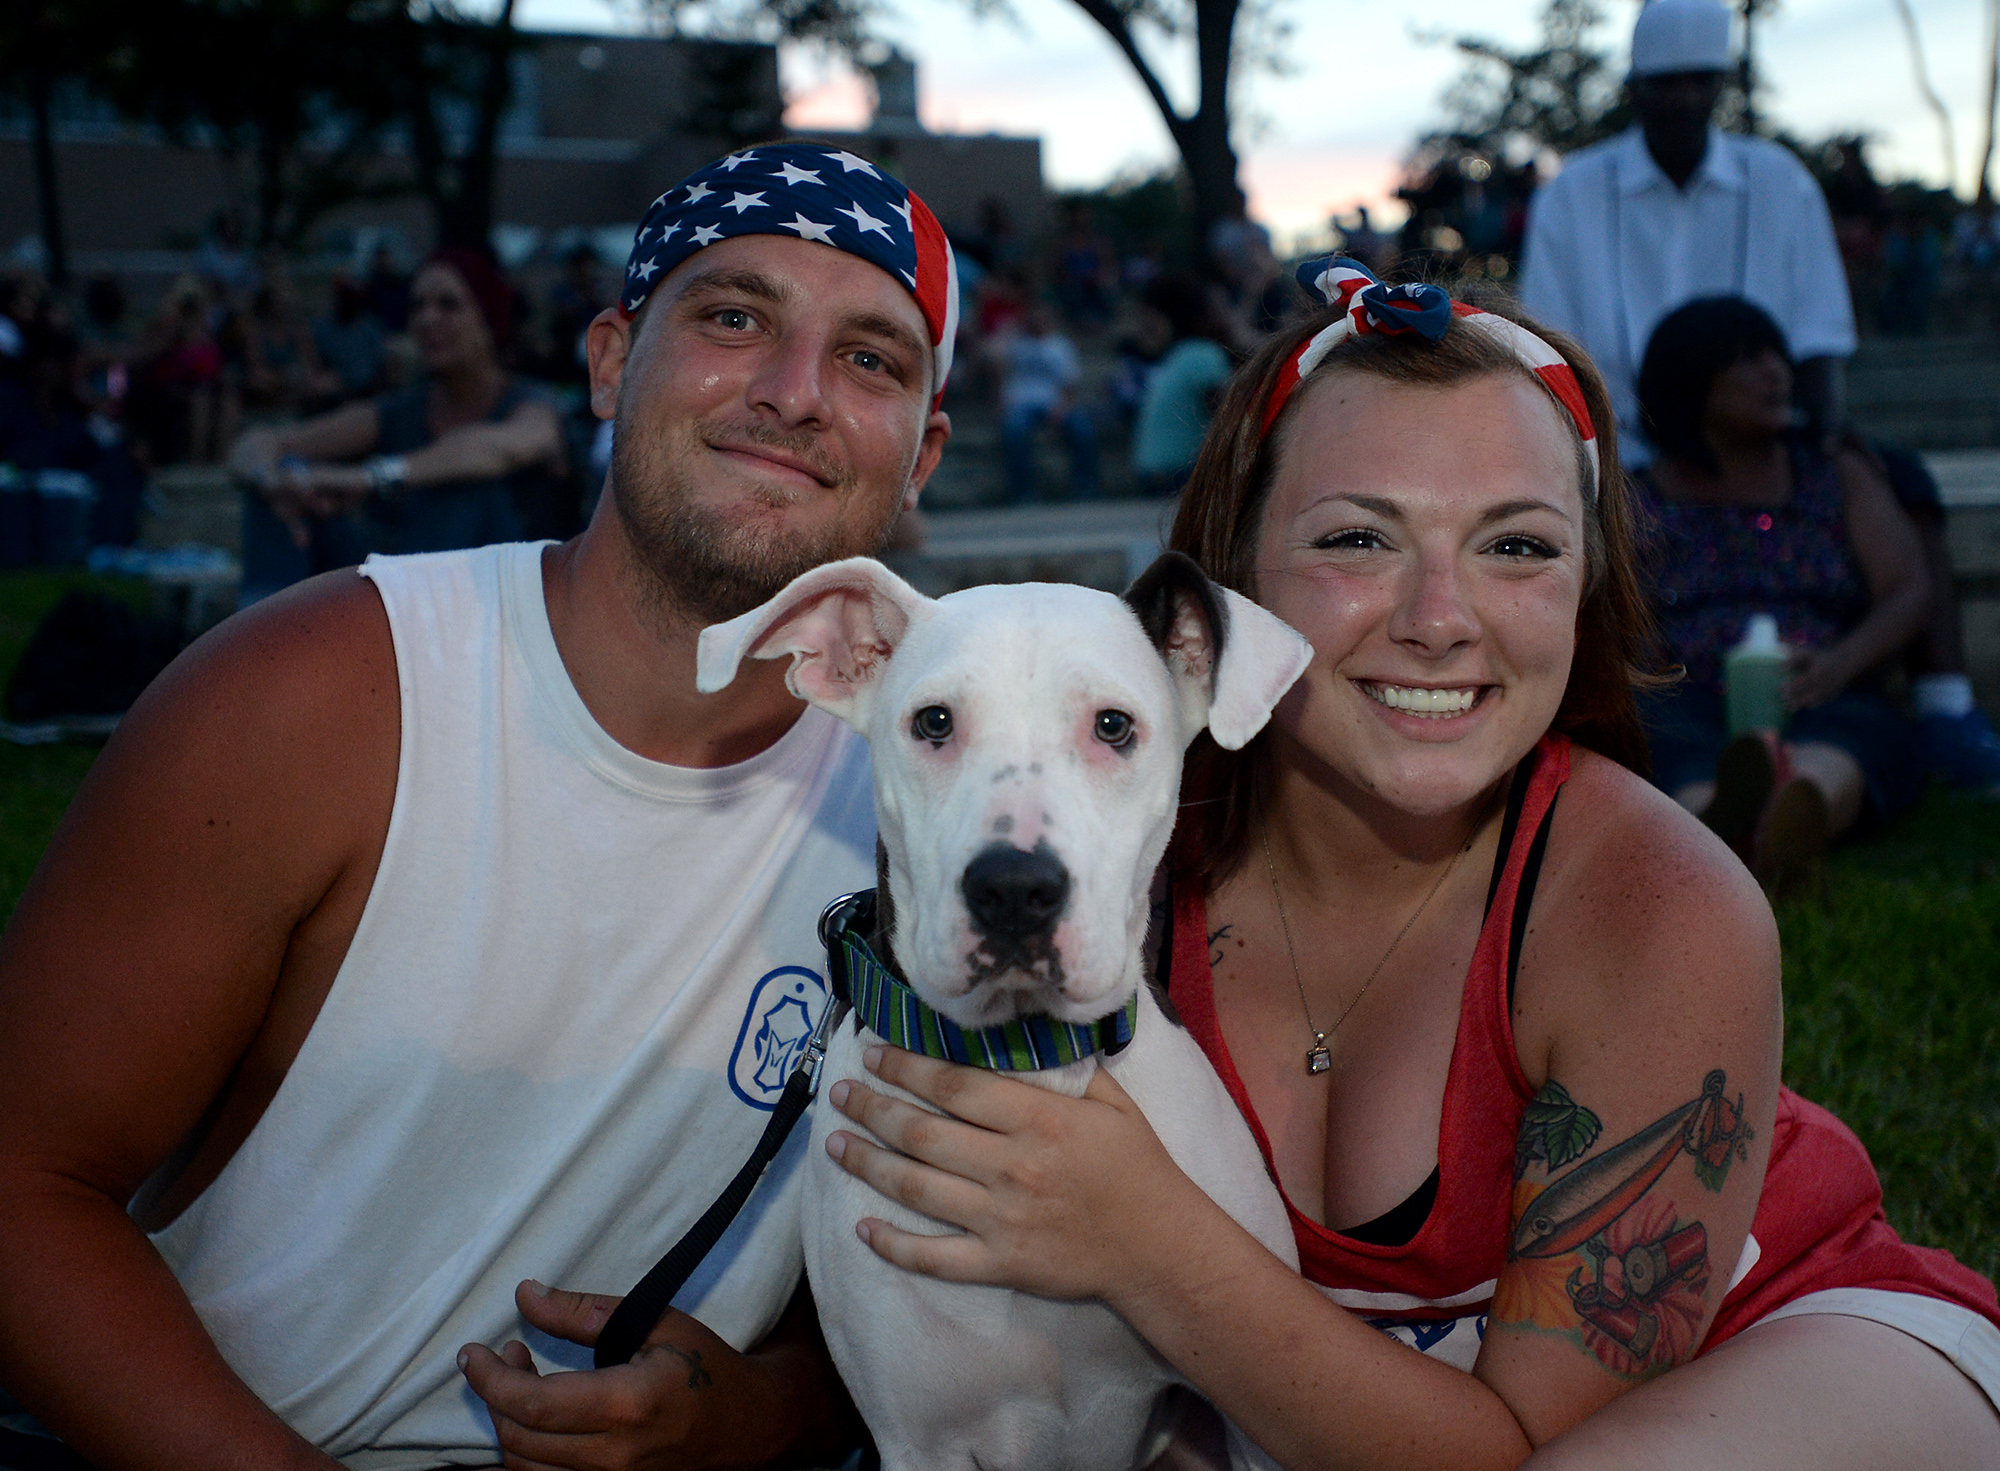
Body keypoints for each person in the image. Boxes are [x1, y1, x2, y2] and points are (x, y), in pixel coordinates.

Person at [816, 260, 2000, 1469]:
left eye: (1517, 546)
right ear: (1226, 589)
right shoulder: (1102, 840)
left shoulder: (1656, 902)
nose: (1438, 616)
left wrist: (1144, 1238)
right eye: (1356, 537)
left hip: (1777, 1349)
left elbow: (1503, 1446)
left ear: (1584, 588)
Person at [0, 141, 960, 1470]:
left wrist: (750, 1415)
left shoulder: (951, 806)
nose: (795, 394)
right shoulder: (318, 694)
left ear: (924, 455)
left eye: (871, 359)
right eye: (735, 318)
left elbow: (919, 1290)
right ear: (613, 361)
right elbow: (24, 1183)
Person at [1630, 297, 1932, 880]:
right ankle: (1715, 818)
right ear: (1690, 381)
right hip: (1688, 695)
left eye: (1776, 355)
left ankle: (1804, 808)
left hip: (1819, 686)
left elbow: (1907, 589)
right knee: (1659, 736)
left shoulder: (1834, 474)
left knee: (1857, 734)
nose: (1776, 372)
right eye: (1747, 360)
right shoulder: (1636, 497)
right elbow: (1614, 612)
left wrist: (1841, 665)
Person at [1518, 0, 1855, 463]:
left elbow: (1819, 335)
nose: (1686, 99)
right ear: (1634, 89)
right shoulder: (1572, 193)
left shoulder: (1780, 180)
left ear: (1723, 85)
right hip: (1618, 466)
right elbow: (1548, 347)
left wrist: (1819, 454)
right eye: (1667, 83)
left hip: (1757, 464)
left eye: (1701, 80)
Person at [227, 247, 568, 603]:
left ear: (487, 317)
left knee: (466, 484)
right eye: (417, 306)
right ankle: (265, 648)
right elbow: (256, 444)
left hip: (505, 605)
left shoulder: (532, 403)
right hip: (401, 592)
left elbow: (497, 448)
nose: (427, 319)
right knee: (283, 490)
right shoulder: (400, 410)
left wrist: (370, 478)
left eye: (448, 305)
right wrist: (277, 484)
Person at [1129, 274, 1234, 498]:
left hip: (1169, 475)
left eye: (1151, 320)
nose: (1144, 328)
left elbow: (1221, 417)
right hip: (1173, 475)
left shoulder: (1196, 356)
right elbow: (1226, 421)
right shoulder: (1194, 355)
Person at [993, 297, 1098, 502]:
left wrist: (1062, 408)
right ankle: (1023, 492)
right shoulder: (1015, 344)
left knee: (1082, 428)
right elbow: (999, 372)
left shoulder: (1061, 346)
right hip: (1020, 404)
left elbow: (1070, 384)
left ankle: (1085, 486)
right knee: (1014, 431)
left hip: (1054, 403)